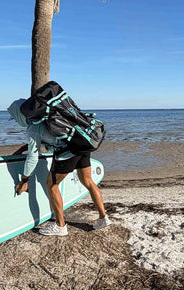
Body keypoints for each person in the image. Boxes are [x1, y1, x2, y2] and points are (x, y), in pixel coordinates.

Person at [7, 99, 110, 236]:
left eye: (15, 117)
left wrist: (24, 181)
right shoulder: (46, 116)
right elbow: (45, 138)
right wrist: (24, 147)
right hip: (81, 144)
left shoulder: (33, 128)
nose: (15, 120)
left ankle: (60, 226)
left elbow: (33, 157)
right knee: (88, 181)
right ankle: (103, 218)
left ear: (21, 114)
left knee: (51, 185)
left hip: (68, 153)